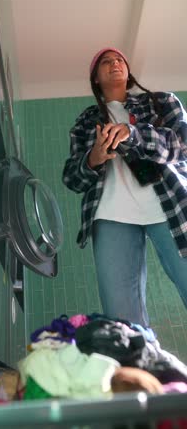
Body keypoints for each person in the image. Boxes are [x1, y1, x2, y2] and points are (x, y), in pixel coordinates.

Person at [62, 47, 187, 327]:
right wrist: (93, 159)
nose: (115, 63)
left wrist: (134, 134)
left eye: (119, 59)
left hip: (175, 207)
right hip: (111, 214)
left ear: (128, 72)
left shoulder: (161, 101)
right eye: (105, 62)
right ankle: (138, 370)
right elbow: (71, 178)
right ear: (95, 78)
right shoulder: (85, 121)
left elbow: (182, 144)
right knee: (122, 318)